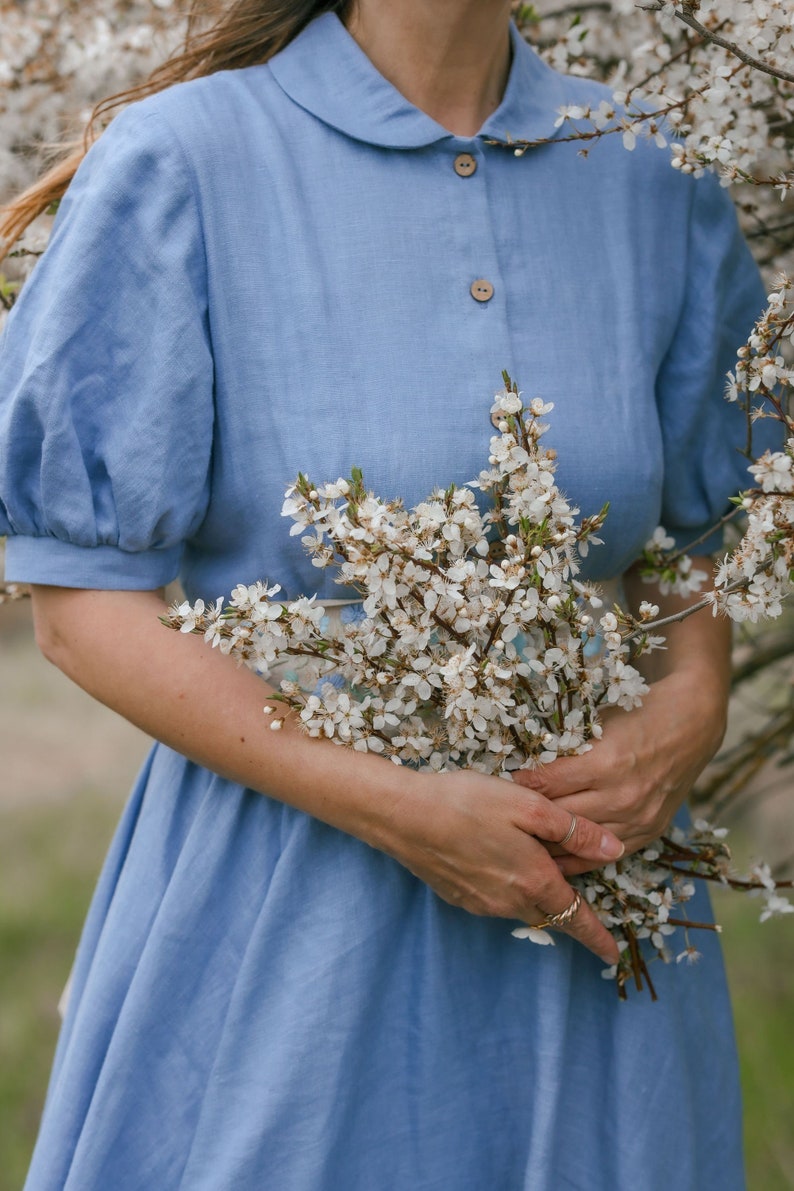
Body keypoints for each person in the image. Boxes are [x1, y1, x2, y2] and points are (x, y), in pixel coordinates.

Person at [0, 1, 769, 1187]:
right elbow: (81, 608)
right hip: (292, 909)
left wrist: (694, 699)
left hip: (593, 901)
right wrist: (393, 808)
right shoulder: (185, 160)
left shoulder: (645, 166)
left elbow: (690, 525)